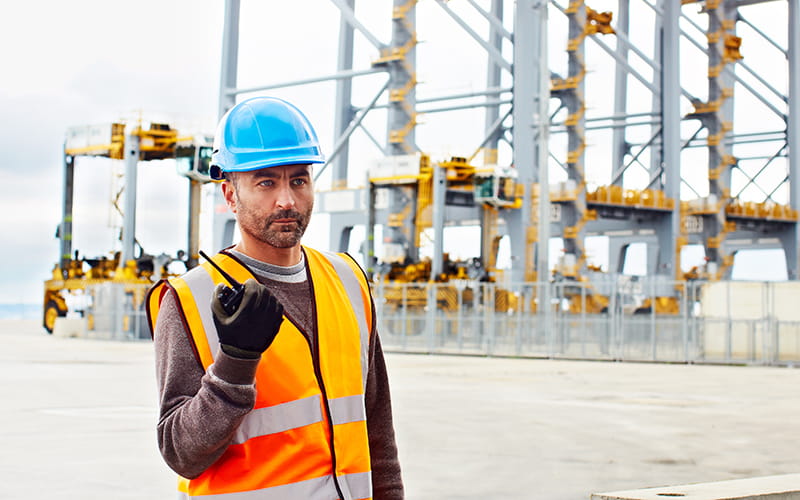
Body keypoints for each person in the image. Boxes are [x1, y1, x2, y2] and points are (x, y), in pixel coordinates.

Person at [146, 96, 404, 499]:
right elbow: (181, 453)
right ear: (230, 195)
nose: (286, 200)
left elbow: (378, 434)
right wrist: (235, 364)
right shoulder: (189, 300)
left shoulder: (349, 280)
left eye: (298, 180)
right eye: (266, 182)